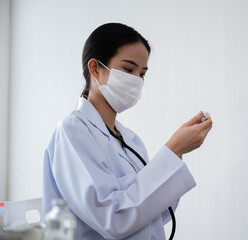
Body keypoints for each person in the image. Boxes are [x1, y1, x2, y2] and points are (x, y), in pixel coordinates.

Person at [43, 23, 212, 240]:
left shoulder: (130, 139)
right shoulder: (72, 130)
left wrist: (176, 154)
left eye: (142, 73)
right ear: (95, 68)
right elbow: (112, 219)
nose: (137, 81)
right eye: (128, 69)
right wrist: (173, 148)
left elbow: (152, 212)